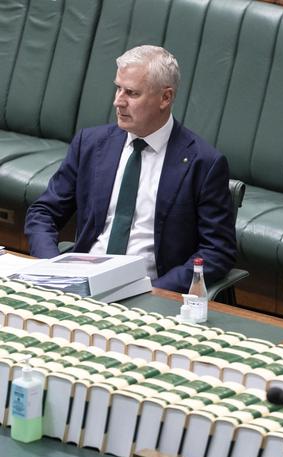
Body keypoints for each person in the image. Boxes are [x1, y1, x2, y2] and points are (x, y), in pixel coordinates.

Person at [25, 45, 236, 293]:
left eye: (132, 93)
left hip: (151, 292)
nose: (118, 101)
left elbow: (217, 250)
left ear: (165, 98)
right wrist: (52, 267)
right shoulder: (90, 144)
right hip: (81, 286)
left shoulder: (204, 163)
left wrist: (159, 291)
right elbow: (43, 213)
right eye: (118, 88)